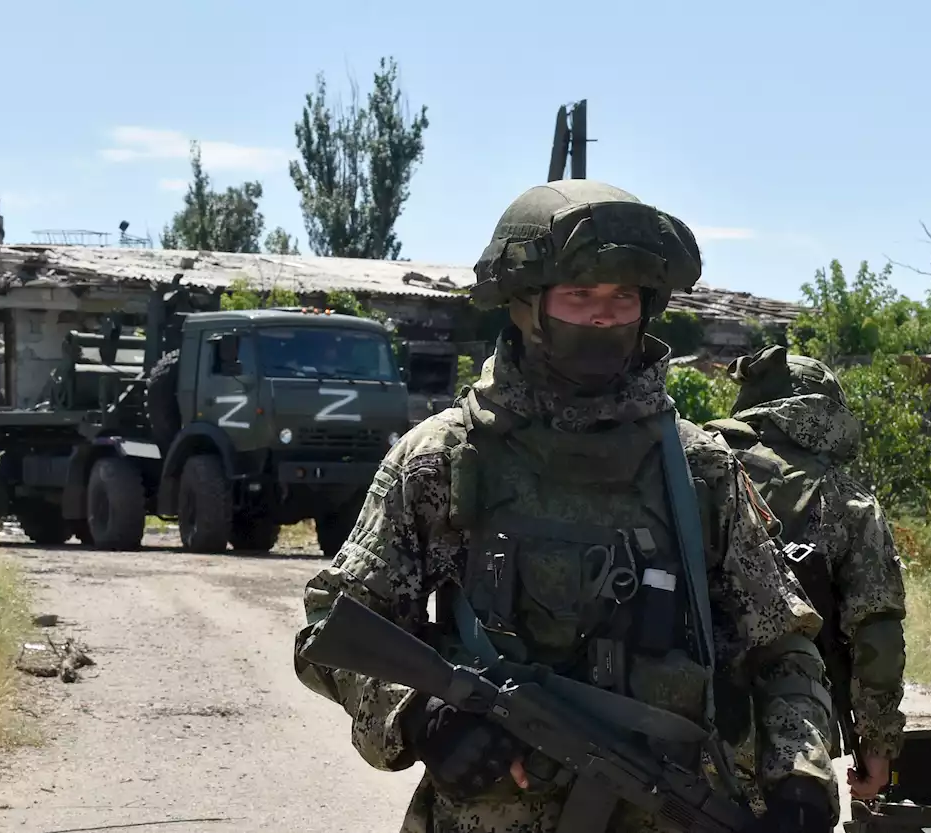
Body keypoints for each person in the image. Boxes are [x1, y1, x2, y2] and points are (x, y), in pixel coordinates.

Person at [293, 180, 839, 833]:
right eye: (580, 296)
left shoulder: (699, 470)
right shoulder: (442, 460)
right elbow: (331, 628)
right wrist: (420, 715)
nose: (605, 316)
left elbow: (783, 646)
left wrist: (800, 772)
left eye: (623, 297)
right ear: (526, 305)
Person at [704, 345, 907, 804]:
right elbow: (877, 635)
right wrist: (876, 747)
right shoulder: (845, 500)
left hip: (669, 723)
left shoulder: (692, 464)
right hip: (791, 737)